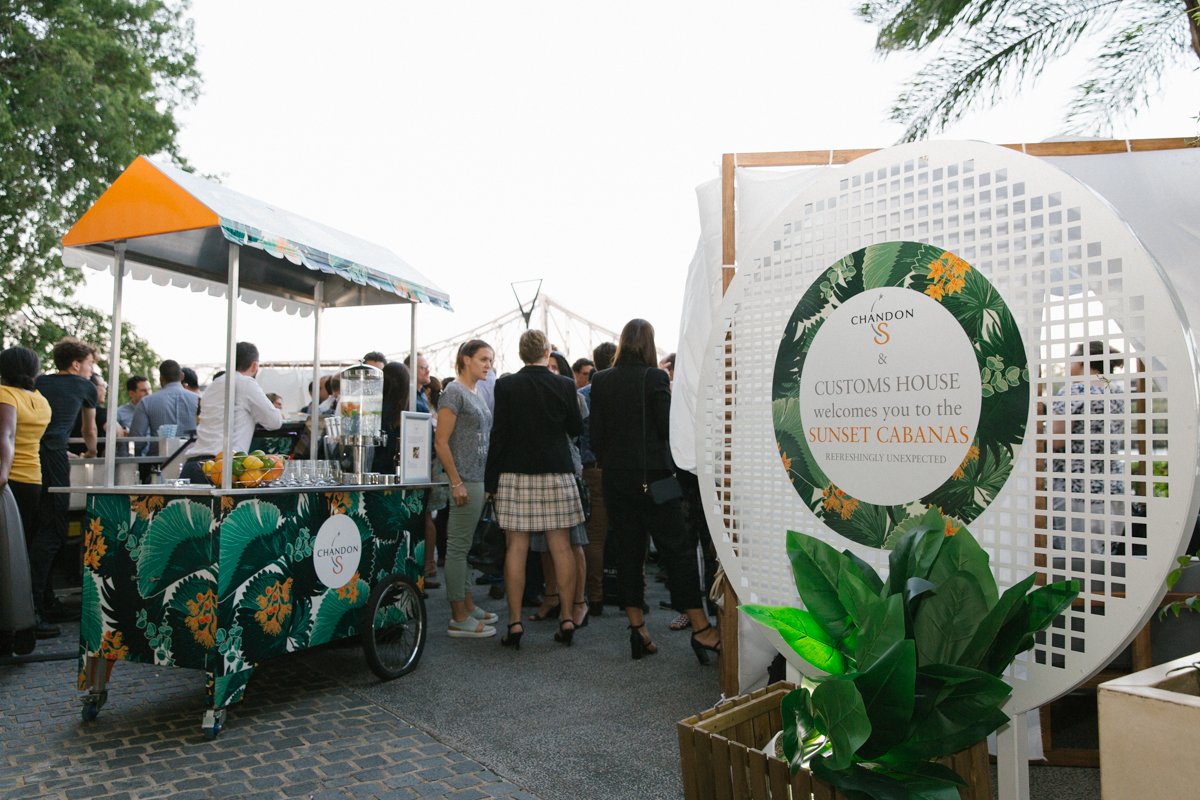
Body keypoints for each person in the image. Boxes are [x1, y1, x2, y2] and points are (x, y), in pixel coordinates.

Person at [589, 319, 720, 663]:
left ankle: (638, 629)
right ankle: (701, 628)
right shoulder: (656, 378)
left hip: (616, 479)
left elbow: (596, 436)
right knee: (676, 551)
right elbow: (667, 428)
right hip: (656, 479)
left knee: (629, 553)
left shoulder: (600, 380)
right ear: (649, 344)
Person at [485, 330, 586, 649]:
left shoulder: (506, 385)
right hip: (557, 470)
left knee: (516, 547)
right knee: (561, 546)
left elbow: (498, 435)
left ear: (520, 353)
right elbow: (575, 429)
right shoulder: (566, 385)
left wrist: (491, 483)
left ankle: (514, 624)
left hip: (515, 472)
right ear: (546, 351)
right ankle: (567, 617)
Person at [433, 340, 499, 638]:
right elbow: (441, 441)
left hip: (476, 478)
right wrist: (456, 481)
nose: (488, 365)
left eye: (490, 360)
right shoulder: (454, 392)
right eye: (483, 359)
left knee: (466, 547)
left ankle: (468, 604)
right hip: (464, 480)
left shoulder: (475, 391)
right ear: (466, 359)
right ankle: (458, 616)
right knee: (458, 549)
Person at [33, 338, 99, 632]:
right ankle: (38, 608)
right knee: (53, 530)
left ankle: (42, 601)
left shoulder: (39, 382)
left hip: (30, 456)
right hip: (53, 458)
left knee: (35, 529)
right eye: (90, 364)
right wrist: (91, 452)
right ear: (76, 364)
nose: (91, 369)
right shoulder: (86, 387)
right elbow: (89, 429)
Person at [527, 352, 589, 630]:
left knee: (573, 542)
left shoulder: (572, 396)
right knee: (542, 543)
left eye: (554, 368)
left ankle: (578, 602)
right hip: (540, 470)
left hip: (567, 470)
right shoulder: (534, 392)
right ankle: (551, 596)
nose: (549, 372)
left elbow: (577, 430)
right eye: (546, 367)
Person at [1051, 341, 1126, 554]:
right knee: (1103, 561)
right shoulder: (1117, 394)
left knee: (1075, 562)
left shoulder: (1075, 391)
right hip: (1111, 488)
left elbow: (1056, 440)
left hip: (1076, 491)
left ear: (1084, 361)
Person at [0, 346, 52, 649]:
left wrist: (2, 475)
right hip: (32, 480)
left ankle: (10, 631)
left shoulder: (5, 395)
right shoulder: (40, 401)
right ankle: (22, 628)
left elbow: (5, 436)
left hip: (8, 483)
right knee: (19, 556)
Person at [180, 342, 283, 483]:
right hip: (222, 468)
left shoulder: (212, 387)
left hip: (193, 465)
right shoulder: (246, 383)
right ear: (254, 366)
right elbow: (274, 422)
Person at [579, 341, 615, 614]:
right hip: (622, 467)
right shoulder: (624, 389)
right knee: (630, 532)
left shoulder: (583, 394)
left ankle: (597, 595)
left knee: (595, 536)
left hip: (593, 469)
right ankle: (633, 595)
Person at [129, 360, 200, 455]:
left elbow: (137, 441)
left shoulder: (146, 402)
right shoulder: (199, 400)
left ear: (161, 378)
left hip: (157, 461)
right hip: (191, 458)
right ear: (182, 376)